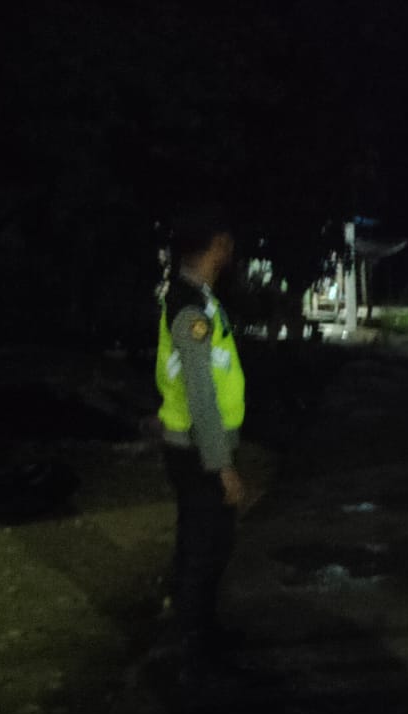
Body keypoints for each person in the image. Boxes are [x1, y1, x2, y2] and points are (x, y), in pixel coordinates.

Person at [155, 207, 247, 668]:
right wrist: (221, 465)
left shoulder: (198, 298)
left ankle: (203, 633)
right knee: (202, 547)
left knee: (211, 542)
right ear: (215, 246)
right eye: (226, 242)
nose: (230, 250)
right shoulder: (189, 308)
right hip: (197, 451)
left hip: (200, 447)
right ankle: (190, 650)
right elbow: (200, 392)